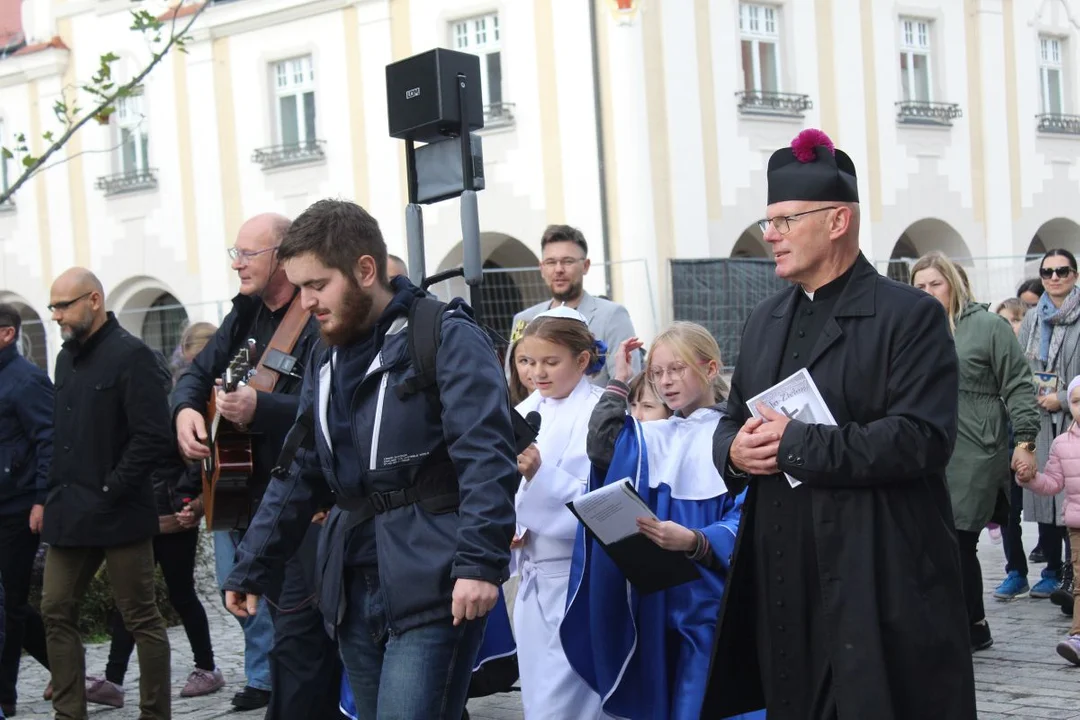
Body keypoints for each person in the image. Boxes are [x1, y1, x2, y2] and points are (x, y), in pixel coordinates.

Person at [702, 129, 975, 719]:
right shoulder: (764, 320)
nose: (768, 234)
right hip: (782, 566)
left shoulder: (910, 316)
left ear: (837, 221)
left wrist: (796, 444)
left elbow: (923, 438)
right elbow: (730, 419)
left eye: (784, 220)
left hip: (874, 564)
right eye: (767, 220)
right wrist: (735, 452)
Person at [221, 199, 519, 719]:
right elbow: (300, 467)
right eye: (299, 288)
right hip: (351, 587)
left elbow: (487, 459)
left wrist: (479, 565)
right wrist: (251, 566)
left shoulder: (445, 336)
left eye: (317, 285)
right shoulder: (324, 355)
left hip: (435, 584)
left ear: (364, 269)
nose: (306, 301)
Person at [171, 213, 333, 716]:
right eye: (235, 253)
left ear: (283, 257)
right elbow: (197, 373)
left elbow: (327, 403)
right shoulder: (244, 312)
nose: (238, 263)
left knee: (309, 638)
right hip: (254, 496)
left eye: (249, 254)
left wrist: (261, 408)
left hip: (307, 502)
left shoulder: (314, 317)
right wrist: (184, 412)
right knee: (288, 635)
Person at [567, 325, 758, 720]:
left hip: (711, 601)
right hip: (655, 602)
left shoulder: (736, 435)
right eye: (656, 373)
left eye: (677, 369)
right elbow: (602, 447)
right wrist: (620, 380)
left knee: (700, 704)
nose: (665, 382)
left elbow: (750, 515)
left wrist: (696, 539)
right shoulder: (654, 434)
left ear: (710, 368)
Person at [40, 268, 172, 720]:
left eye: (64, 305)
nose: (56, 315)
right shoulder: (64, 359)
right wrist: (47, 495)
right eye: (53, 306)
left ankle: (155, 714)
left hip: (120, 511)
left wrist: (113, 486)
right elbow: (61, 436)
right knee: (55, 608)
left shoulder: (132, 356)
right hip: (69, 512)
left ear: (94, 300)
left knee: (140, 618)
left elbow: (153, 437)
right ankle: (68, 713)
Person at [85, 333, 225, 708]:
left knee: (180, 594)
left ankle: (207, 666)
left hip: (173, 516)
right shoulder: (129, 407)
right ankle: (114, 679)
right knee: (132, 600)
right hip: (140, 517)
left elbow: (197, 459)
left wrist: (187, 503)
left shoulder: (173, 404)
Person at [911, 252, 1039, 651]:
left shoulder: (987, 326)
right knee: (931, 538)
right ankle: (948, 623)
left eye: (936, 283)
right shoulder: (910, 328)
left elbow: (1018, 383)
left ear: (955, 282)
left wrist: (1025, 442)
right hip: (925, 444)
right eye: (920, 286)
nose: (929, 292)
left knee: (961, 536)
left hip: (977, 444)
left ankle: (972, 625)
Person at [509, 306, 609, 720]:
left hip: (577, 580)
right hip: (534, 581)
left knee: (566, 701)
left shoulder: (602, 413)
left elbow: (604, 499)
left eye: (551, 362)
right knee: (537, 698)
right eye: (528, 362)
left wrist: (540, 476)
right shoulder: (523, 410)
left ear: (582, 360)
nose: (537, 373)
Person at [1018, 249, 1080, 601]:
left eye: (1063, 271)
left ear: (1074, 274)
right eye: (1047, 272)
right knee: (1046, 491)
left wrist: (1066, 396)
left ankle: (1072, 573)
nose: (1054, 278)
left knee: (1074, 494)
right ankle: (1053, 568)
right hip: (1041, 414)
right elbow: (1020, 364)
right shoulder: (1031, 318)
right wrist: (1037, 395)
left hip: (1075, 415)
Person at [0, 303, 52, 718]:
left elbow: (49, 442)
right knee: (10, 603)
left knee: (12, 602)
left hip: (18, 508)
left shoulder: (27, 381)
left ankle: (5, 694)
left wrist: (41, 499)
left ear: (7, 334)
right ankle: (65, 664)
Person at [510, 224, 638, 386]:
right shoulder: (524, 319)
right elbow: (513, 381)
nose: (558, 269)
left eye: (567, 261)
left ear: (585, 266)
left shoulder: (612, 316)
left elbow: (628, 384)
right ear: (542, 268)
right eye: (551, 262)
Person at [1018, 375, 1080, 663]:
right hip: (1077, 526)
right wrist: (1030, 479)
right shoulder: (1062, 444)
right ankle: (1078, 637)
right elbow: (1053, 483)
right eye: (1076, 401)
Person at [993, 298, 1039, 601]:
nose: (1010, 326)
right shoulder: (993, 353)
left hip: (1035, 437)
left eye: (1015, 319)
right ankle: (1016, 572)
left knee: (1050, 511)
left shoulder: (1034, 353)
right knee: (1010, 513)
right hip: (1002, 441)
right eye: (1004, 320)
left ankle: (1055, 572)